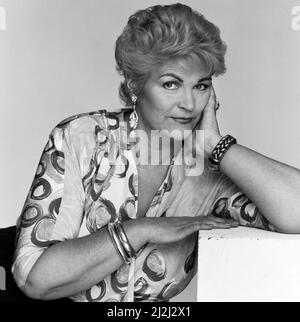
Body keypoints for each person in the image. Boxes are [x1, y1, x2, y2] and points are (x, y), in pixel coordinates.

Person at [12, 3, 300, 302]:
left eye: (201, 86)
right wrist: (141, 230)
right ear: (135, 84)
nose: (189, 103)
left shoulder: (208, 169)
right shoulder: (82, 139)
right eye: (171, 84)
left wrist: (216, 145)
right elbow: (36, 279)